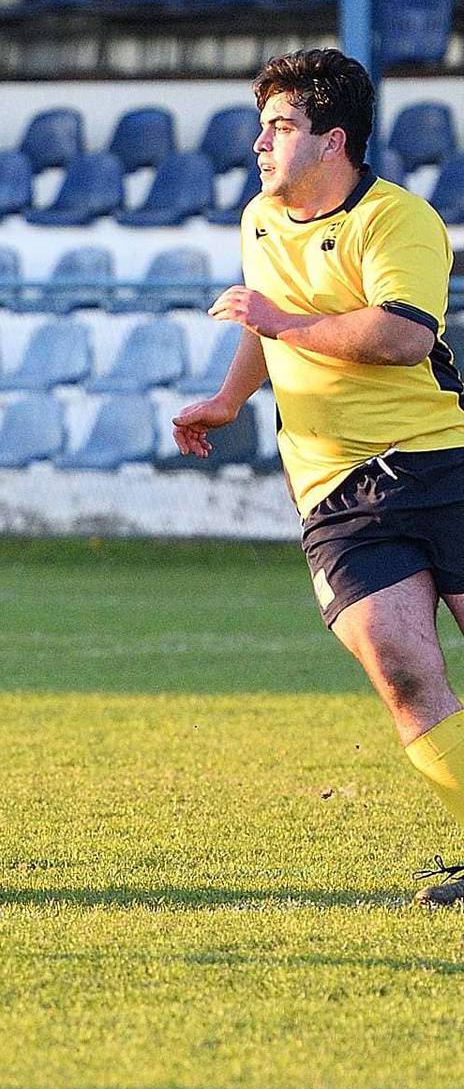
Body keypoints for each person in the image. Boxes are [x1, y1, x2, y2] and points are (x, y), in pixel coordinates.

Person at [171, 49, 464, 907]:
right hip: (337, 490)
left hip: (442, 462)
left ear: (333, 139)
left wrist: (283, 321)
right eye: (261, 126)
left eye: (281, 126)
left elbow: (403, 336)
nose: (260, 143)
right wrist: (228, 400)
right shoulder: (261, 216)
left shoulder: (397, 219)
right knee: (404, 670)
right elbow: (264, 330)